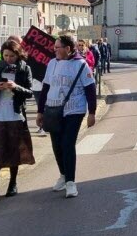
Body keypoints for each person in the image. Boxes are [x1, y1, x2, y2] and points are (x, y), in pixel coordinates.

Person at [36, 35, 98, 198]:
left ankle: (71, 182)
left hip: (74, 110)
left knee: (68, 143)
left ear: (68, 49)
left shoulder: (81, 64)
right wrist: (40, 111)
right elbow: (45, 88)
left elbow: (90, 89)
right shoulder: (52, 64)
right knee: (56, 145)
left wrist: (92, 113)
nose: (54, 50)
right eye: (55, 47)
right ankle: (63, 175)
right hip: (54, 109)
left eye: (58, 47)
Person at [0, 40, 36, 198]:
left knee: (14, 150)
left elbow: (30, 92)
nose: (8, 59)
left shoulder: (25, 68)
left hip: (15, 115)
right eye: (6, 55)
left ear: (18, 55)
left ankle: (12, 184)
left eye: (12, 56)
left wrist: (16, 87)